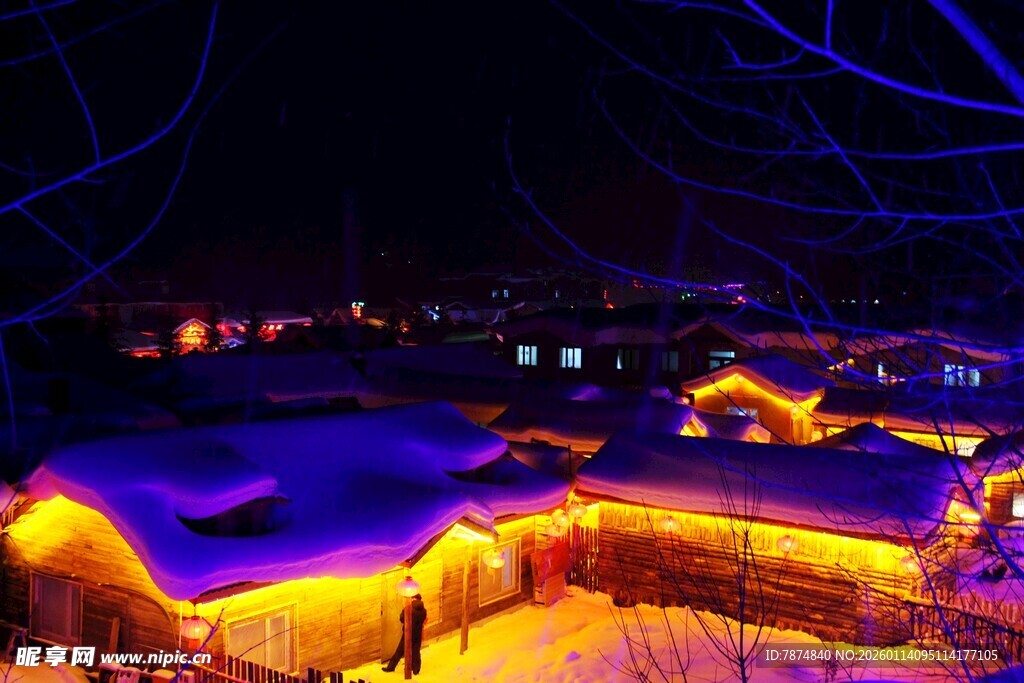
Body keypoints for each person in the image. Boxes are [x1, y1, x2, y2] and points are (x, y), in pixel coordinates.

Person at [382, 593, 427, 674]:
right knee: (416, 651)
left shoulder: (409, 608)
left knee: (399, 651)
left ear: (413, 598)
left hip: (408, 632)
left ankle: (391, 667)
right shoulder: (424, 611)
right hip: (418, 633)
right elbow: (423, 620)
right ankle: (416, 669)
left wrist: (405, 610)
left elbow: (402, 618)